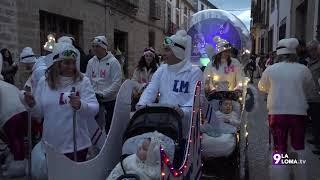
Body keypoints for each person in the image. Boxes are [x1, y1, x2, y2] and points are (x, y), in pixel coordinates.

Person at [22, 42, 99, 162]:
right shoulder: (44, 82)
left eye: (73, 63)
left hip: (77, 145)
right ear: (57, 63)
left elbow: (94, 108)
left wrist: (80, 105)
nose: (71, 67)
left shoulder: (83, 81)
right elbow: (39, 114)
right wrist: (31, 104)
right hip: (52, 145)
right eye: (66, 63)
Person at [258, 38, 314, 180]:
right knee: (298, 146)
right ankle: (300, 174)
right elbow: (310, 89)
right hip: (298, 113)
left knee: (279, 147)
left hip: (276, 113)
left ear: (279, 54)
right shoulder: (304, 69)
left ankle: (279, 175)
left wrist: (273, 89)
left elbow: (261, 87)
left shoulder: (271, 69)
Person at [137, 30, 203, 113]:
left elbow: (196, 99)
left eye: (167, 50)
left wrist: (183, 111)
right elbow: (151, 90)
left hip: (184, 122)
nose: (163, 53)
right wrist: (142, 104)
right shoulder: (162, 70)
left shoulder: (194, 72)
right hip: (163, 120)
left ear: (178, 52)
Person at [86, 36, 122, 133]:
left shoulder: (113, 62)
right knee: (94, 128)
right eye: (93, 46)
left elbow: (117, 83)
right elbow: (87, 80)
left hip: (109, 101)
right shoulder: (90, 62)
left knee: (109, 128)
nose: (94, 49)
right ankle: (96, 146)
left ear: (104, 47)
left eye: (97, 46)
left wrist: (103, 94)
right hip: (94, 100)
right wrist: (91, 94)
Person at [107, 132, 173, 180]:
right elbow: (117, 171)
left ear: (152, 155)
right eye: (141, 145)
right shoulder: (129, 160)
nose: (139, 147)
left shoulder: (157, 172)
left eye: (144, 148)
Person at [0, 80, 28, 177]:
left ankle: (18, 165)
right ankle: (14, 161)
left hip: (10, 114)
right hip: (23, 110)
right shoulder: (7, 85)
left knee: (15, 138)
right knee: (16, 139)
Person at [306, 40, 320, 154]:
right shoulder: (310, 62)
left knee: (318, 120)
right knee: (314, 120)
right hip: (310, 95)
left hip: (317, 96)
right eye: (309, 50)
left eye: (313, 50)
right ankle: (316, 139)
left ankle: (319, 144)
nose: (311, 52)